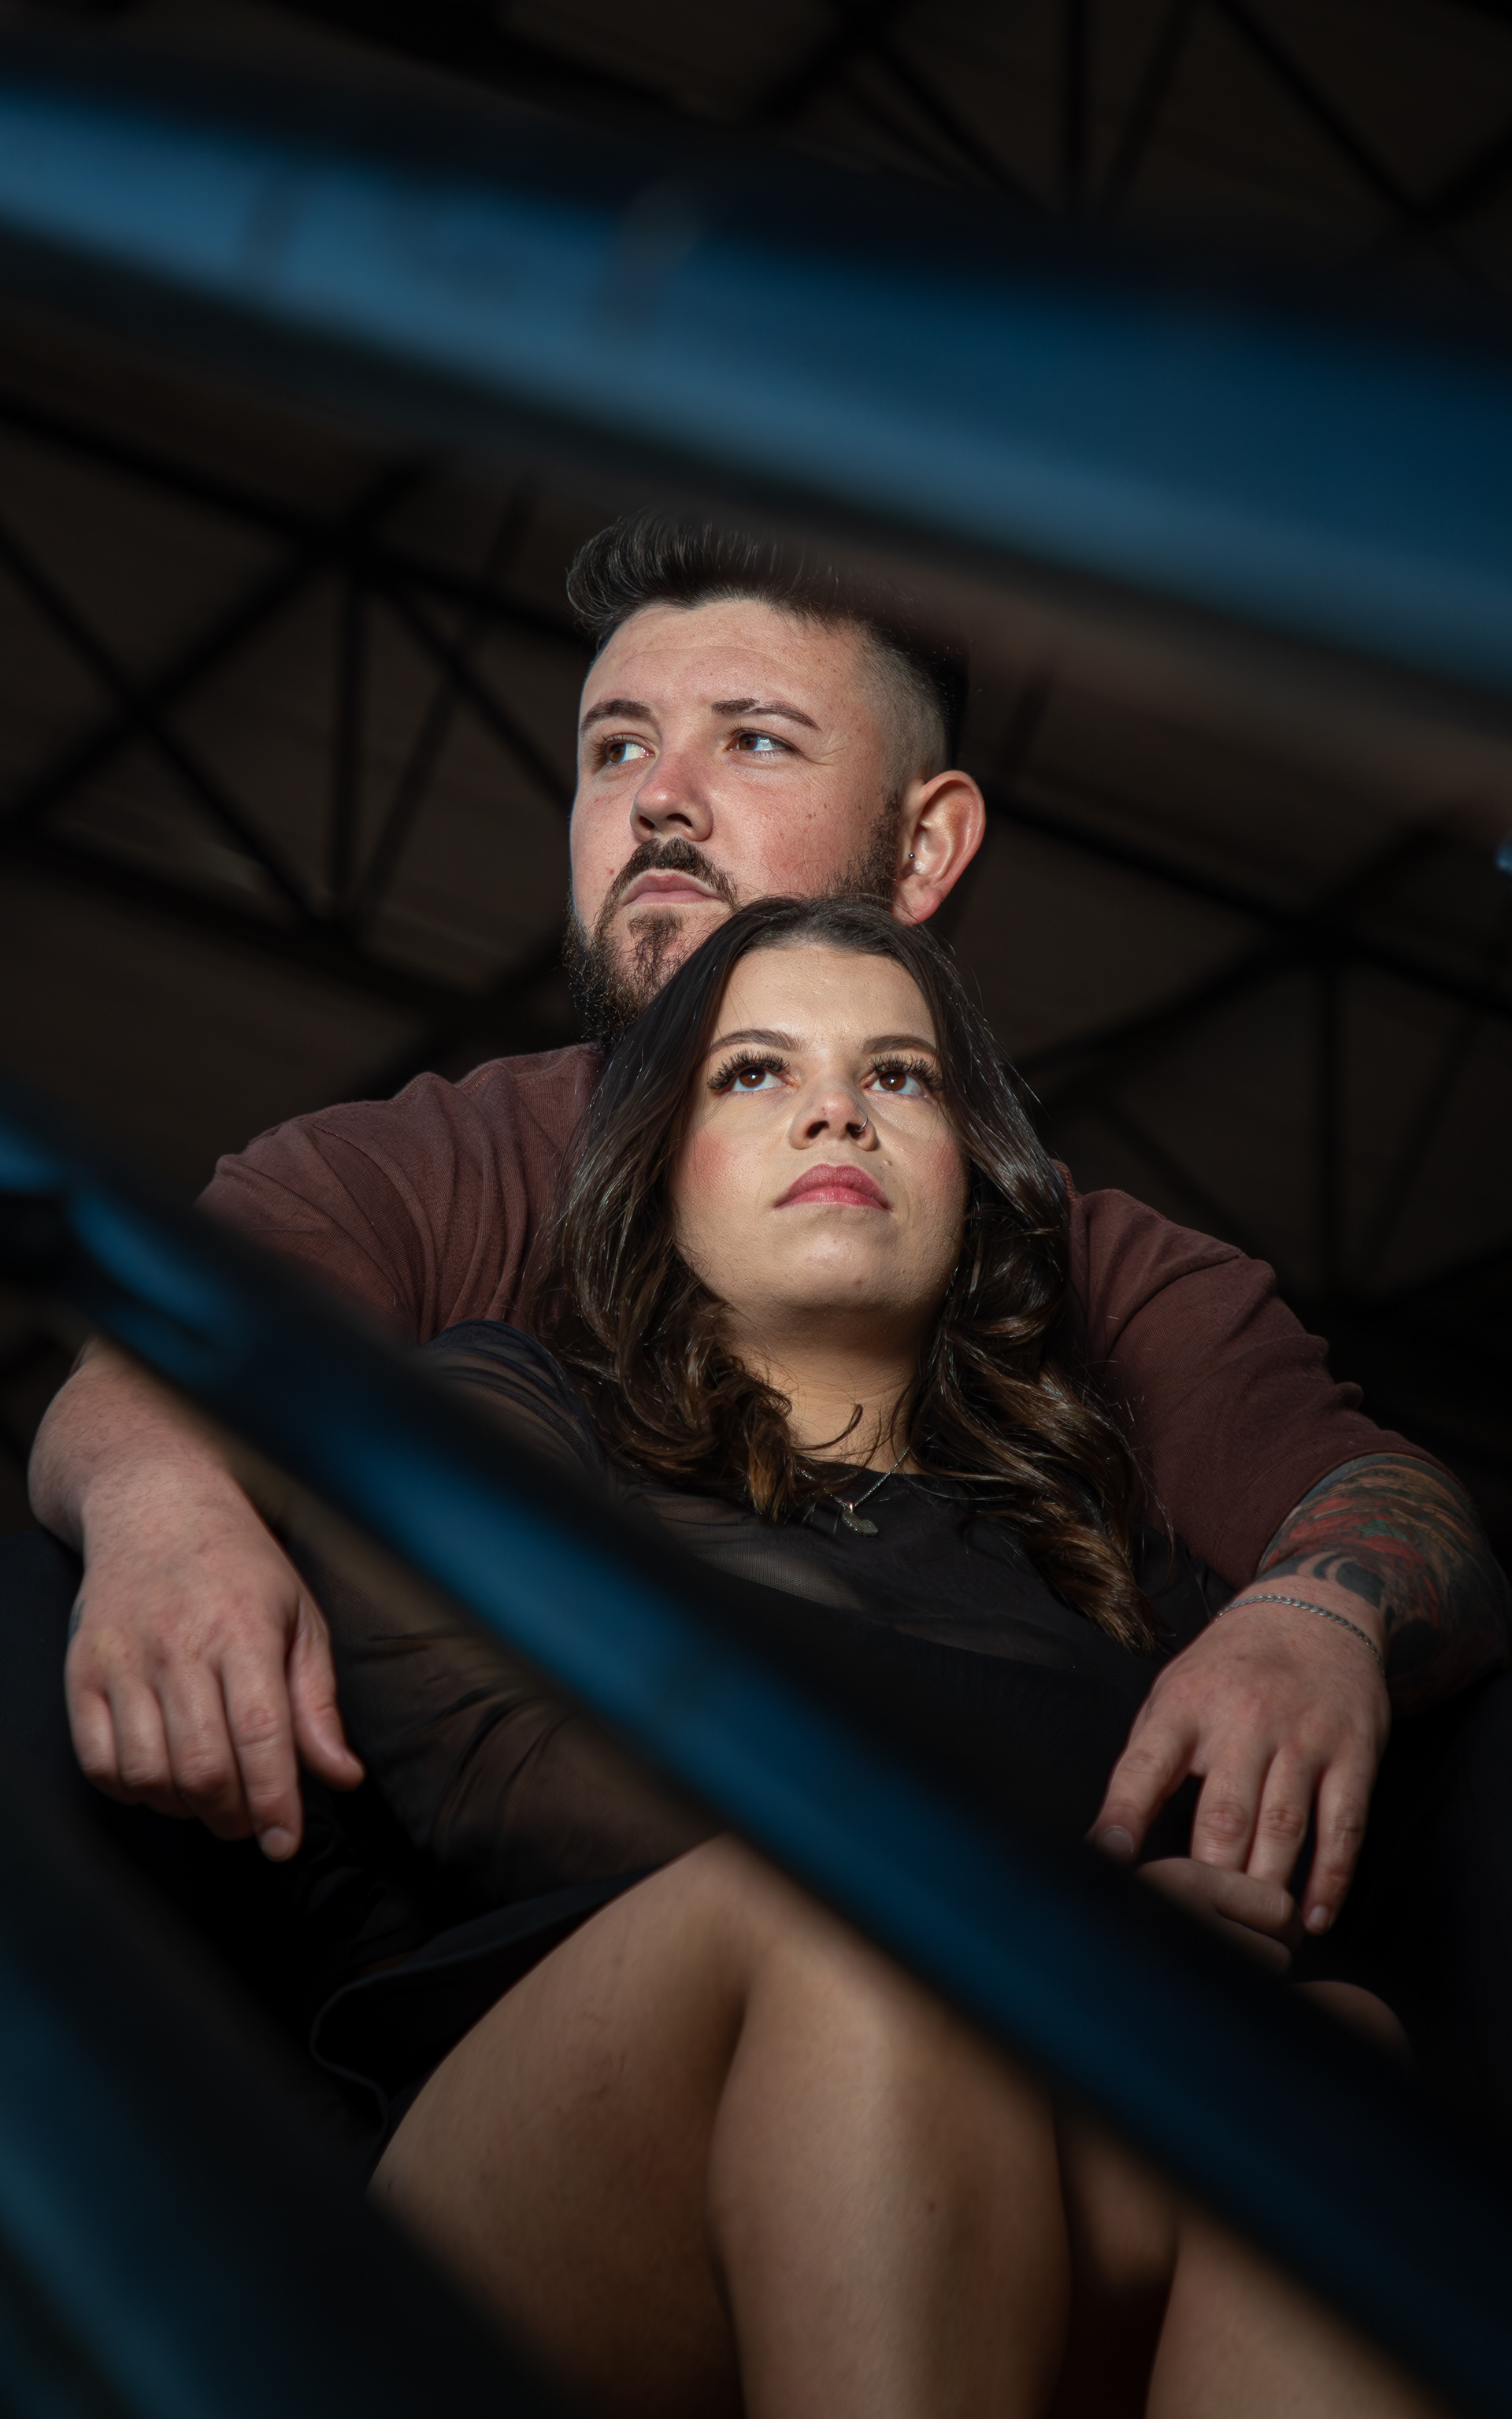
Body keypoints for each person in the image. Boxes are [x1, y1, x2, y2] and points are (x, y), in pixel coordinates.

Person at [28, 515, 1503, 1951]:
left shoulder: (1097, 1267)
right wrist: (164, 1517)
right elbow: (155, 1364)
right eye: (616, 747)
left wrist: (1316, 1616)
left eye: (754, 739)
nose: (660, 799)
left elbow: (1384, 1498)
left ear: (925, 844)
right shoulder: (419, 1163)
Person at [274, 895, 1454, 2419]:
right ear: (659, 1165)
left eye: (900, 1074)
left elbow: (1237, 1889)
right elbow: (497, 1764)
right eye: (754, 1071)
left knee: (1332, 2052)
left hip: (1048, 2146)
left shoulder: (1105, 1550)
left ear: (973, 1171)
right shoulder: (508, 1403)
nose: (838, 1107)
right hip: (545, 2160)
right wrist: (1047, 1912)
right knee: (873, 1927)